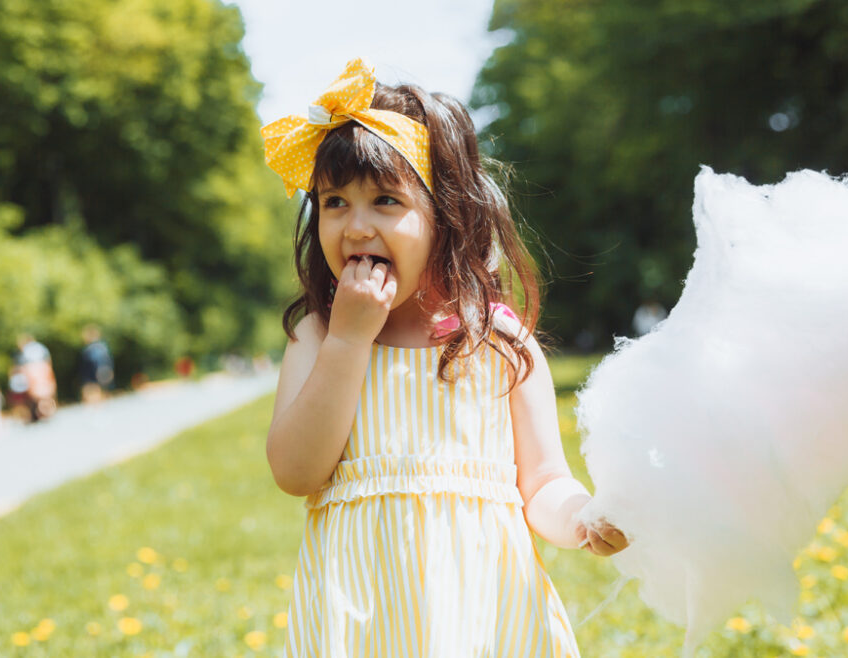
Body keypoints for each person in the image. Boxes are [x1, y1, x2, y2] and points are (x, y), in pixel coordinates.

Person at [262, 58, 627, 656]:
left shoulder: (498, 343)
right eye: (333, 203)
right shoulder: (319, 337)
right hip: (363, 621)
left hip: (485, 616)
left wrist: (584, 518)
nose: (355, 227)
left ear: (447, 213)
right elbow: (295, 471)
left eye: (385, 200)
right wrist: (351, 341)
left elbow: (543, 483)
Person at [9, 333, 57, 422]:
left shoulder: (25, 352)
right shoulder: (41, 348)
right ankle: (47, 413)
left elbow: (23, 368)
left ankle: (39, 413)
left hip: (33, 373)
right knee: (45, 395)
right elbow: (48, 362)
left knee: (36, 397)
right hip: (42, 372)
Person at [79, 324, 115, 403]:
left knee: (94, 395)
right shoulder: (104, 347)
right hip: (104, 371)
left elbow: (88, 366)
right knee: (105, 393)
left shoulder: (89, 350)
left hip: (93, 375)